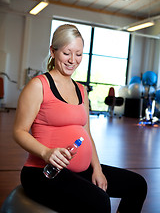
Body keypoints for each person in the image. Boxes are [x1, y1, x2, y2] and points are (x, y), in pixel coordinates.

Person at [13, 24, 147, 213]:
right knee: (100, 202)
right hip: (43, 172)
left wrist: (98, 169)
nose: (73, 60)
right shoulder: (38, 85)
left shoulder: (81, 90)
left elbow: (87, 134)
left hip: (80, 171)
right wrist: (45, 152)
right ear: (53, 51)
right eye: (67, 53)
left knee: (137, 185)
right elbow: (18, 131)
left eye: (78, 54)